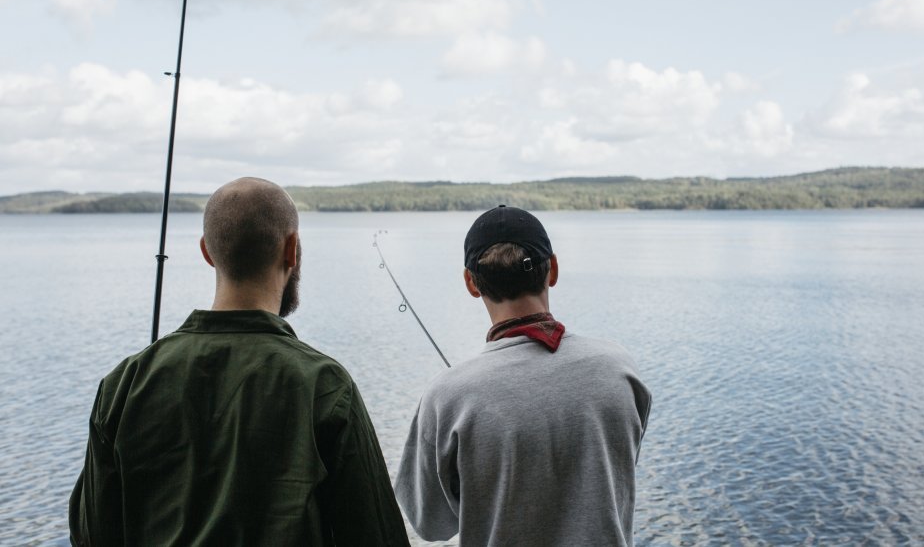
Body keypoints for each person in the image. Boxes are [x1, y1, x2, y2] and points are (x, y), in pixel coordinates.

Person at [68, 177, 409, 546]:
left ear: (207, 252)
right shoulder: (324, 386)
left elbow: (91, 536)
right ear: (291, 249)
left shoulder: (125, 383)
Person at [395, 205, 652, 546]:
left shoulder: (448, 396)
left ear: (471, 282)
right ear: (554, 270)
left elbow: (430, 524)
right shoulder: (619, 369)